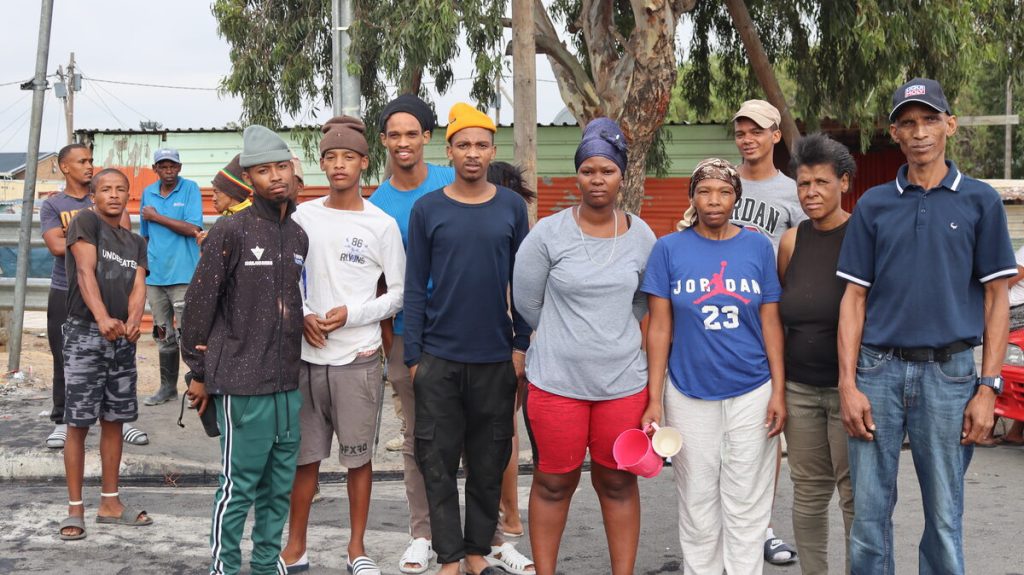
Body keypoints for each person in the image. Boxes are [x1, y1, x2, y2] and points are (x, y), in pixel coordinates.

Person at [836, 77, 1016, 574]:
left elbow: (996, 299)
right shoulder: (873, 205)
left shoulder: (980, 201)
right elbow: (853, 299)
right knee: (870, 522)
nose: (919, 132)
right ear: (894, 133)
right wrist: (847, 384)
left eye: (930, 120)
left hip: (952, 376)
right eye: (907, 123)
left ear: (949, 126)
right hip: (877, 373)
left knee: (943, 519)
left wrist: (988, 387)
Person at [513, 118, 656, 575]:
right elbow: (526, 301)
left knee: (617, 481)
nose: (598, 180)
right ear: (578, 175)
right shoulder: (548, 235)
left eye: (607, 171)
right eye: (589, 170)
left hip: (622, 383)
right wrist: (567, 335)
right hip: (556, 382)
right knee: (554, 481)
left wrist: (607, 334)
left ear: (622, 176)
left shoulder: (642, 237)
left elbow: (642, 301)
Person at [403, 102, 532, 575]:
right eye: (463, 145)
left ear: (492, 150)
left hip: (496, 358)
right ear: (449, 151)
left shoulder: (512, 208)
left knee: (488, 460)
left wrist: (520, 346)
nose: (472, 154)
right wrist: (414, 358)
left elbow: (525, 282)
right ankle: (450, 556)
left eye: (481, 145)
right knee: (435, 462)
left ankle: (478, 550)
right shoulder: (428, 209)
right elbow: (415, 286)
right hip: (438, 357)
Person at [642, 158, 786, 574]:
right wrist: (655, 399)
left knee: (747, 501)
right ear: (692, 197)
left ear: (736, 197)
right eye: (704, 191)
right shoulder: (669, 249)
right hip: (688, 391)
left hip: (753, 389)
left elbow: (770, 320)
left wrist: (778, 388)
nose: (714, 200)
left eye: (723, 191)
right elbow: (659, 329)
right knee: (698, 499)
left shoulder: (758, 246)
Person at [280, 116, 405, 575]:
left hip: (359, 358)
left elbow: (398, 293)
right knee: (304, 460)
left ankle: (357, 548)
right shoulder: (302, 216)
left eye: (348, 157)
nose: (338, 165)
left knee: (358, 460)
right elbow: (286, 276)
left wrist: (352, 315)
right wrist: (303, 315)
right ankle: (296, 547)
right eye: (330, 157)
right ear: (321, 164)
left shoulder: (382, 225)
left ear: (364, 164)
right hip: (307, 358)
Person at [180, 126, 308, 575]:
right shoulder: (230, 231)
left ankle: (267, 565)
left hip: (288, 385)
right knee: (238, 487)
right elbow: (197, 309)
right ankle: (225, 568)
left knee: (279, 488)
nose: (274, 177)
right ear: (249, 179)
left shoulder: (297, 236)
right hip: (240, 383)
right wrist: (198, 372)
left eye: (280, 167)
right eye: (262, 170)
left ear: (293, 172)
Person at [368, 94, 452, 573]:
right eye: (394, 135)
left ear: (427, 137)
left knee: (479, 437)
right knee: (419, 439)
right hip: (407, 336)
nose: (403, 143)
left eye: (412, 133)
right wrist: (389, 347)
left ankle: (487, 536)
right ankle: (422, 534)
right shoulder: (377, 206)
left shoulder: (452, 181)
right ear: (384, 141)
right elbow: (379, 282)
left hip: (465, 329)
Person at [776, 133, 856, 574]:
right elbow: (783, 312)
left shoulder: (865, 235)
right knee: (807, 492)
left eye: (821, 182)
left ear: (843, 183)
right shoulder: (791, 241)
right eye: (803, 184)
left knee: (854, 494)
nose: (810, 193)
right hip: (800, 389)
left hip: (852, 388)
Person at [58, 168, 152, 540]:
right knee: (78, 423)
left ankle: (110, 503)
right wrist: (101, 318)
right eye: (105, 189)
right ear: (93, 196)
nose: (113, 195)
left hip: (122, 342)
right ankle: (75, 508)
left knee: (114, 420)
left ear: (129, 195)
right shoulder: (85, 222)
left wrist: (132, 321)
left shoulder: (135, 242)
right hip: (85, 334)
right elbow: (84, 272)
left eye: (120, 189)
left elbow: (139, 285)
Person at [731, 99, 801, 564]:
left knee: (766, 433)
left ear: (776, 135)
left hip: (771, 320)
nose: (748, 138)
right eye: (741, 131)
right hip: (720, 323)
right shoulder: (719, 182)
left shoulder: (794, 194)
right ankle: (725, 523)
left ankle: (763, 527)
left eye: (757, 130)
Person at [40, 144, 148, 449]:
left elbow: (122, 244)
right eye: (81, 161)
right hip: (66, 289)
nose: (89, 166)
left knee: (118, 356)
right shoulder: (53, 205)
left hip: (112, 290)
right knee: (66, 357)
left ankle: (122, 420)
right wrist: (87, 243)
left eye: (91, 160)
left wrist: (85, 242)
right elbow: (56, 247)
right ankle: (63, 420)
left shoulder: (107, 198)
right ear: (64, 167)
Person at [140, 148, 203, 406]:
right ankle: (167, 388)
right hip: (156, 279)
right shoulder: (148, 193)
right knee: (162, 332)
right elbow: (146, 235)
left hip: (183, 276)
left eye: (173, 166)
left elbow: (193, 228)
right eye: (163, 167)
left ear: (179, 167)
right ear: (155, 169)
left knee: (189, 333)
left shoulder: (190, 189)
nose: (169, 171)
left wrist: (156, 216)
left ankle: (199, 387)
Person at [196, 155, 252, 247]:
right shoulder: (227, 219)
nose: (213, 198)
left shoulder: (247, 221)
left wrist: (209, 243)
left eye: (216, 192)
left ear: (232, 192)